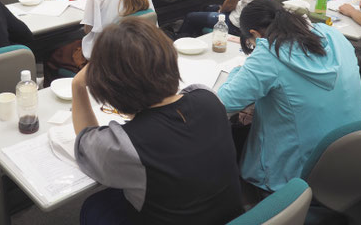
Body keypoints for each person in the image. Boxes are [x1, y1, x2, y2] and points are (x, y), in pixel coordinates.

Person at [73, 18, 243, 225]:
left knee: (94, 207)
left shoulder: (123, 146)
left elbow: (85, 140)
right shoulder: (209, 97)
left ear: (109, 89)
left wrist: (77, 86)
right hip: (231, 216)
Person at [218, 0, 361, 194]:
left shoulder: (269, 54)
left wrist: (238, 72)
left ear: (254, 34)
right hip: (351, 155)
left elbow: (223, 103)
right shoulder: (332, 34)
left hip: (298, 173)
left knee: (234, 135)